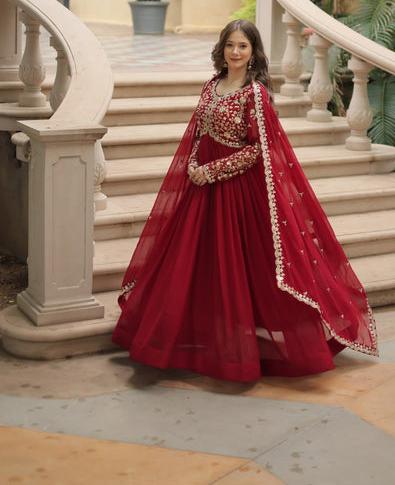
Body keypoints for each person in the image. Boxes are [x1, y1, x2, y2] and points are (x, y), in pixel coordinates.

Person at [112, 19, 378, 381]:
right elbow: (197, 131)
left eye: (243, 47)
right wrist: (193, 164)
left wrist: (213, 171)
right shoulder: (211, 86)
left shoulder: (254, 94)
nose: (235, 52)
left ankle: (237, 346)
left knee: (236, 264)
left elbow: (259, 149)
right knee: (195, 261)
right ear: (221, 48)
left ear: (254, 54)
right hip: (198, 189)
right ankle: (194, 332)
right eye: (230, 45)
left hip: (234, 192)